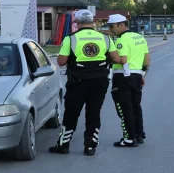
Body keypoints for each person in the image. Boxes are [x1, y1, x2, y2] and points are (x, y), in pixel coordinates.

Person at [48, 10, 121, 156]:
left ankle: (63, 145)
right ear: (93, 22)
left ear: (76, 23)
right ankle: (90, 146)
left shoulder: (71, 38)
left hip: (78, 82)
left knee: (71, 113)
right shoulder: (105, 38)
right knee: (94, 113)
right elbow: (117, 59)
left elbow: (61, 62)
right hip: (99, 82)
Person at [107, 14, 150, 147]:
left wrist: (109, 58)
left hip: (122, 76)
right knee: (136, 106)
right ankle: (139, 134)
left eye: (111, 26)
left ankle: (129, 138)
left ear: (121, 25)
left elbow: (122, 60)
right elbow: (147, 59)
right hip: (136, 75)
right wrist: (142, 74)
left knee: (124, 108)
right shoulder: (139, 37)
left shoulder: (121, 40)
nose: (110, 29)